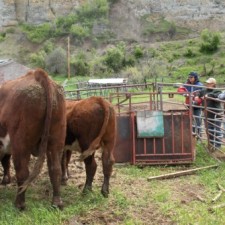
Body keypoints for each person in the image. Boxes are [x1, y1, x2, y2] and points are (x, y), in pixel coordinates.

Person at [195, 78, 222, 150]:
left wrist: (208, 95)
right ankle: (211, 144)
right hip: (207, 113)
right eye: (207, 83)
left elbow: (218, 95)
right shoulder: (204, 90)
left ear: (213, 84)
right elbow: (199, 92)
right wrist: (197, 96)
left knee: (217, 129)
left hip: (216, 113)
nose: (207, 84)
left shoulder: (217, 90)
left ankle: (218, 146)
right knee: (209, 129)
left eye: (209, 83)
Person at [178, 72, 203, 137]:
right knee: (189, 119)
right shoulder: (187, 84)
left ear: (195, 78)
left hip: (197, 106)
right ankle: (191, 134)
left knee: (197, 120)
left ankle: (198, 135)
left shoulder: (199, 85)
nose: (190, 79)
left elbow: (202, 95)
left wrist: (197, 101)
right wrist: (184, 93)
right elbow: (180, 89)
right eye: (189, 77)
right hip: (188, 104)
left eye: (191, 77)